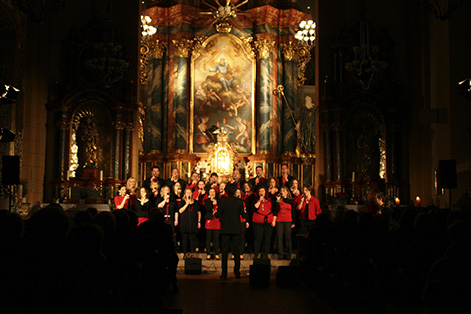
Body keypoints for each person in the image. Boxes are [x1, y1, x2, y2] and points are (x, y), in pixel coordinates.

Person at [214, 184, 247, 279]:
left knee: (224, 253)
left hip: (225, 229)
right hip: (236, 229)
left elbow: (218, 214)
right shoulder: (239, 202)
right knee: (236, 252)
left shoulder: (222, 201)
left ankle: (224, 273)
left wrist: (216, 214)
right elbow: (243, 215)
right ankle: (237, 273)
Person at [252, 186, 277, 258]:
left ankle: (265, 254)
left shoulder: (271, 199)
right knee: (257, 238)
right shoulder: (255, 199)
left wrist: (274, 220)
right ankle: (256, 254)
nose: (261, 193)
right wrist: (260, 201)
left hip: (268, 221)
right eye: (260, 191)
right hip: (257, 222)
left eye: (262, 191)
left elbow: (274, 209)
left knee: (267, 238)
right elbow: (254, 208)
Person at [175, 188, 201, 256]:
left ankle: (193, 253)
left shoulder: (196, 202)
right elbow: (180, 211)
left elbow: (198, 212)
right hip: (185, 223)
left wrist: (199, 222)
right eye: (187, 192)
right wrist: (187, 204)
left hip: (193, 223)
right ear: (185, 194)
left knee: (193, 238)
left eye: (190, 192)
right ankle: (185, 253)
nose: (188, 194)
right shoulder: (182, 202)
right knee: (184, 239)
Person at [275, 186, 296, 260]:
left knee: (288, 238)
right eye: (281, 191)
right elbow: (276, 209)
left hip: (288, 220)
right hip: (280, 220)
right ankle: (280, 255)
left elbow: (293, 211)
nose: (282, 192)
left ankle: (288, 254)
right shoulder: (278, 200)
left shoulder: (291, 201)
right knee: (279, 237)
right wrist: (277, 200)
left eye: (284, 191)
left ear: (287, 192)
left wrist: (293, 222)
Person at [204, 187, 220, 260]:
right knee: (208, 238)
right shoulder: (206, 201)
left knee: (216, 238)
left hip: (217, 220)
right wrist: (211, 202)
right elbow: (207, 209)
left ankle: (216, 253)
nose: (212, 193)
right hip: (209, 220)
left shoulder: (219, 201)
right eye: (211, 192)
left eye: (213, 192)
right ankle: (208, 253)